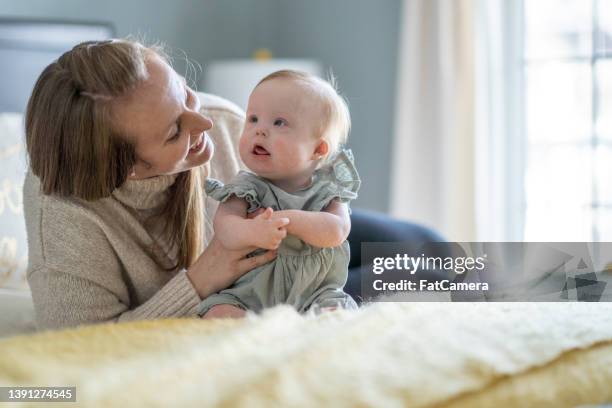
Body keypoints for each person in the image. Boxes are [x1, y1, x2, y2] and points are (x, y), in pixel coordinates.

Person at [23, 39, 278, 329]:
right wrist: (202, 279)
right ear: (126, 168)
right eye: (173, 132)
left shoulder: (230, 126)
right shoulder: (61, 215)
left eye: (185, 93)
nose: (205, 123)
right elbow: (81, 343)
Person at [198, 70, 360, 318]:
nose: (259, 131)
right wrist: (252, 231)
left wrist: (287, 220)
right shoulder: (245, 188)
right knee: (218, 311)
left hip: (314, 293)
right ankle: (255, 339)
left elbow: (337, 231)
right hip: (250, 293)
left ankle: (312, 340)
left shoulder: (328, 190)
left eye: (279, 123)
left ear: (317, 149)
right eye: (253, 119)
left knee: (336, 312)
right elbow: (225, 228)